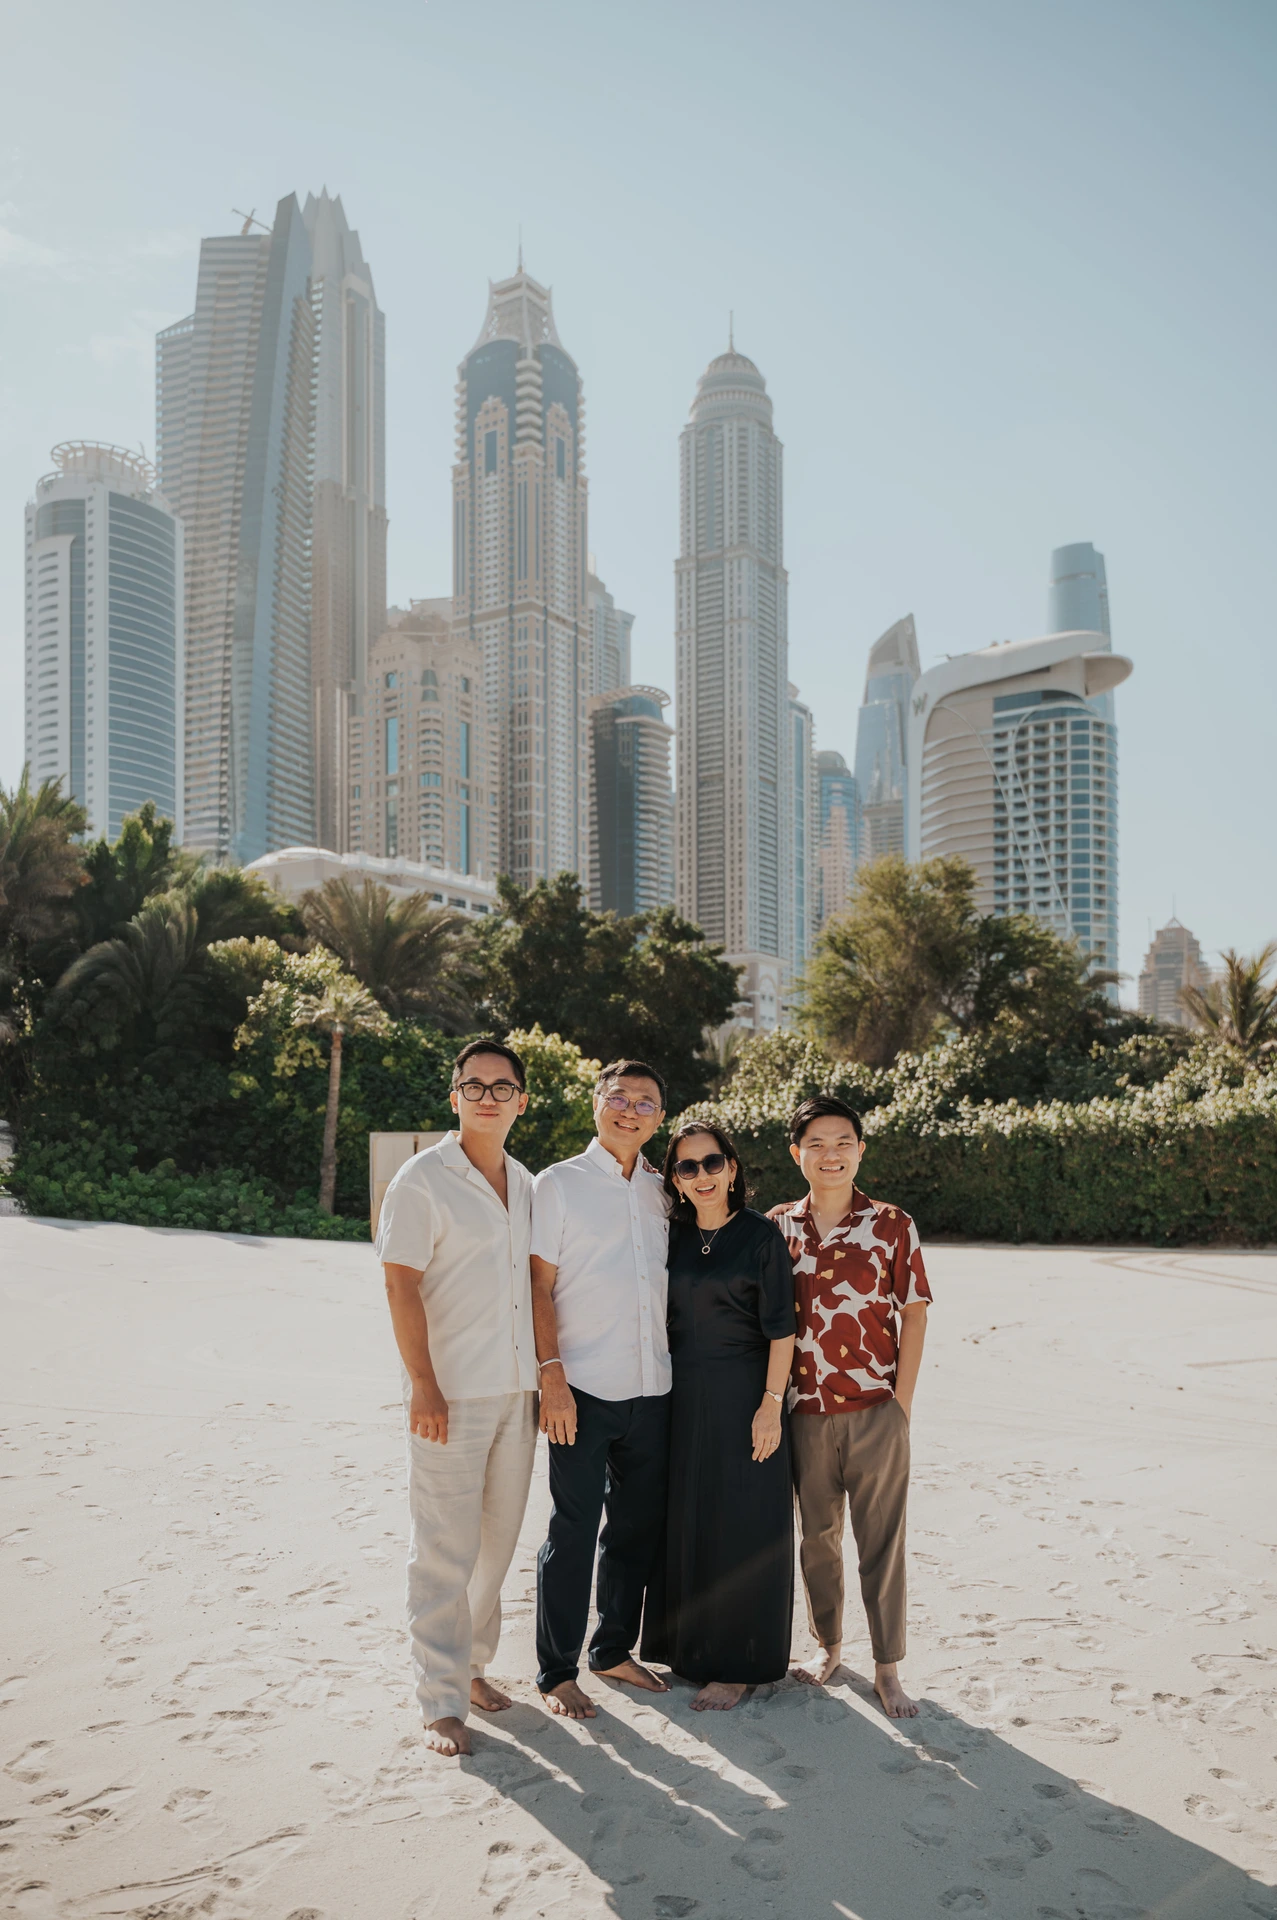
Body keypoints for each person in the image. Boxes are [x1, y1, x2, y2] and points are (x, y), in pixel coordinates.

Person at [377, 1038, 537, 1758]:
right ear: (454, 1098)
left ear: (521, 1102)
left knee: (496, 1545)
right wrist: (423, 1386)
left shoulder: (528, 1184)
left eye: (501, 1087)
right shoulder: (421, 1178)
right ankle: (439, 1702)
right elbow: (399, 1283)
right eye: (473, 1086)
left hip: (517, 1390)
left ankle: (470, 1669)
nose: (487, 1097)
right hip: (449, 1392)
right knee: (443, 1549)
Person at [769, 1095, 932, 1719]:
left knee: (882, 1541)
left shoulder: (892, 1224)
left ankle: (888, 1669)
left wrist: (902, 1404)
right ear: (797, 1154)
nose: (830, 1154)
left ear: (860, 1150)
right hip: (804, 1414)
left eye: (842, 1143)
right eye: (816, 1144)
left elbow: (913, 1312)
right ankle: (828, 1646)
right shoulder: (777, 1226)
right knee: (818, 1539)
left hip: (876, 1411)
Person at [531, 1059, 673, 1720]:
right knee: (573, 1528)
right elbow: (537, 1285)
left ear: (660, 1118)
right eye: (618, 1096)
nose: (630, 1109)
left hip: (653, 1387)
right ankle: (556, 1670)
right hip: (581, 1387)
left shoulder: (662, 1187)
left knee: (634, 1530)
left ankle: (611, 1648)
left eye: (645, 1102)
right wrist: (550, 1375)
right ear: (596, 1102)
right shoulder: (557, 1184)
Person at [640, 1124, 796, 1710]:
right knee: (689, 1519)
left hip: (745, 1394)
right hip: (680, 1393)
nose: (701, 1176)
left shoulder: (761, 1237)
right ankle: (688, 1652)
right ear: (675, 1181)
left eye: (712, 1163)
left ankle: (739, 1664)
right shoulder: (671, 1237)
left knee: (743, 1522)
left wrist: (769, 1406)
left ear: (732, 1168)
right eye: (687, 1168)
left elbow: (784, 1330)